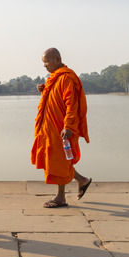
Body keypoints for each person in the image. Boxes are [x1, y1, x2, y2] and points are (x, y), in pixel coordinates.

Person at [31, 48, 92, 208]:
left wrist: (69, 126)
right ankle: (82, 180)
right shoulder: (54, 78)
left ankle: (61, 197)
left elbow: (71, 105)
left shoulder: (66, 78)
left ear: (57, 59)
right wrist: (45, 90)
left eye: (47, 61)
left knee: (60, 161)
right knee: (59, 160)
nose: (44, 65)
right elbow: (55, 98)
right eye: (43, 62)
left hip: (61, 128)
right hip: (51, 128)